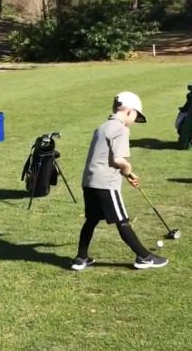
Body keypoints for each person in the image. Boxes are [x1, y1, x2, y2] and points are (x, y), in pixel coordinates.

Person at [71, 92, 168, 271]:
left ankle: (81, 258)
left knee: (91, 220)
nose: (134, 121)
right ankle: (144, 257)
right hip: (106, 184)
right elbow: (118, 160)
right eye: (136, 117)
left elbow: (104, 158)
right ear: (130, 112)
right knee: (122, 221)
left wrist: (126, 174)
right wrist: (128, 170)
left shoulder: (102, 127)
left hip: (90, 181)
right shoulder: (122, 129)